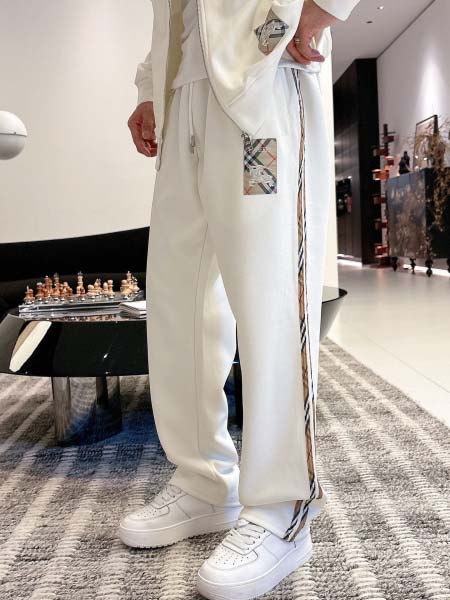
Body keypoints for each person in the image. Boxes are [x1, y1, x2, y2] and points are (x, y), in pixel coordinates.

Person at [121, 1, 360, 598]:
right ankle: (204, 479)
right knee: (177, 301)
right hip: (184, 95)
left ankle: (283, 508)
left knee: (270, 296)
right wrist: (152, 88)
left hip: (262, 71)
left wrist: (318, 9)